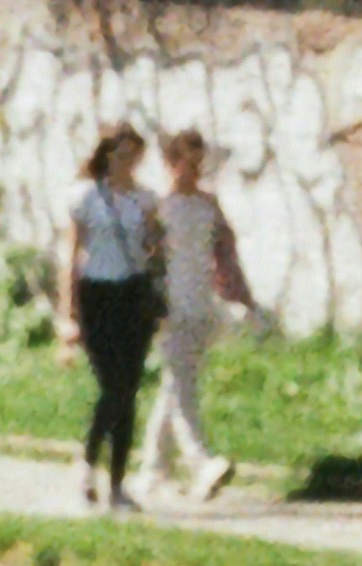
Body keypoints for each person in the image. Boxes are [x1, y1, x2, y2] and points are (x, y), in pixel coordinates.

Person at [135, 122, 253, 511]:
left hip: (202, 304)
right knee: (181, 384)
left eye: (200, 163)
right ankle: (201, 463)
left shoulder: (208, 205)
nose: (195, 171)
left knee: (176, 384)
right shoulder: (157, 208)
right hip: (170, 306)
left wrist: (242, 294)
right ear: (171, 161)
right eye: (189, 162)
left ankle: (152, 471)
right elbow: (145, 258)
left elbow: (225, 251)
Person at [59, 126, 162, 512]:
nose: (127, 163)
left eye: (134, 156)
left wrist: (157, 248)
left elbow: (153, 248)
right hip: (97, 293)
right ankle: (88, 463)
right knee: (112, 385)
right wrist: (67, 314)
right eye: (121, 155)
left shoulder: (144, 199)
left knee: (129, 389)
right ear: (106, 155)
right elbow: (70, 254)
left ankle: (117, 483)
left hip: (132, 294)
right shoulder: (86, 196)